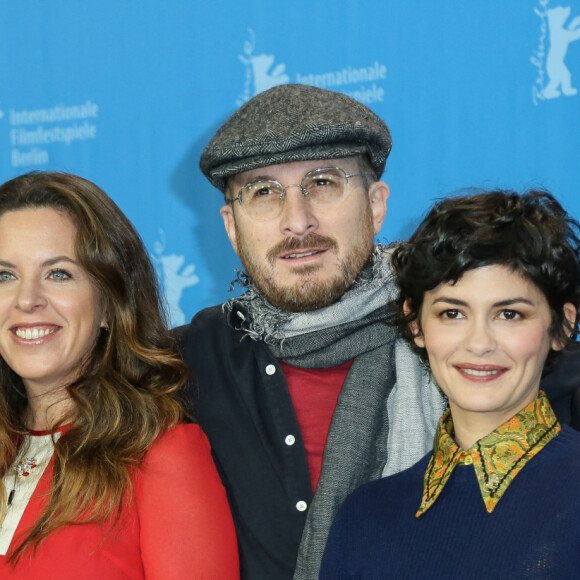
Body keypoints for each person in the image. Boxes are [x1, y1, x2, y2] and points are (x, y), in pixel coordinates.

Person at [178, 84, 580, 580]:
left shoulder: (524, 368)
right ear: (232, 226)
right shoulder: (184, 366)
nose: (297, 220)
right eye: (263, 192)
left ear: (375, 204)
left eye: (323, 183)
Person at [320, 189, 580, 578]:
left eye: (510, 314)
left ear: (562, 326)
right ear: (415, 323)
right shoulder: (366, 516)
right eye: (452, 313)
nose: (478, 343)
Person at [0, 172, 239, 578]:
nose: (27, 300)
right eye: (4, 275)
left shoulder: (160, 456)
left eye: (59, 273)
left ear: (111, 304)